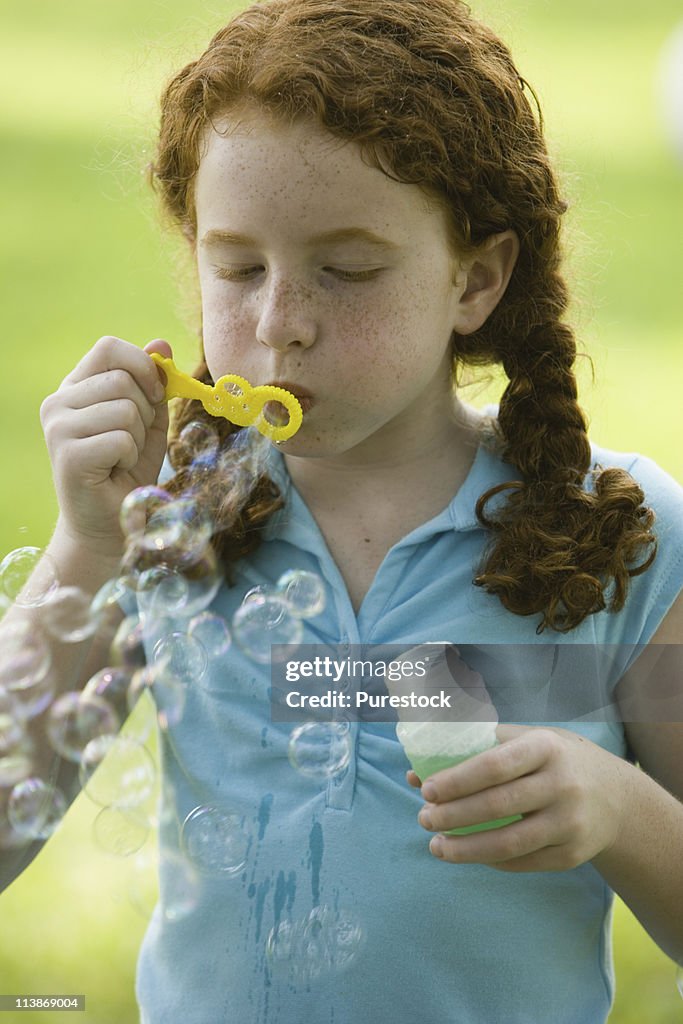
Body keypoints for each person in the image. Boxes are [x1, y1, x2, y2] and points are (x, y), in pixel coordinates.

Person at [1, 1, 682, 1021]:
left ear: (475, 277)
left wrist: (623, 811)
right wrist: (89, 547)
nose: (279, 326)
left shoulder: (615, 535)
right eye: (236, 268)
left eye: (346, 270)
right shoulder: (166, 521)